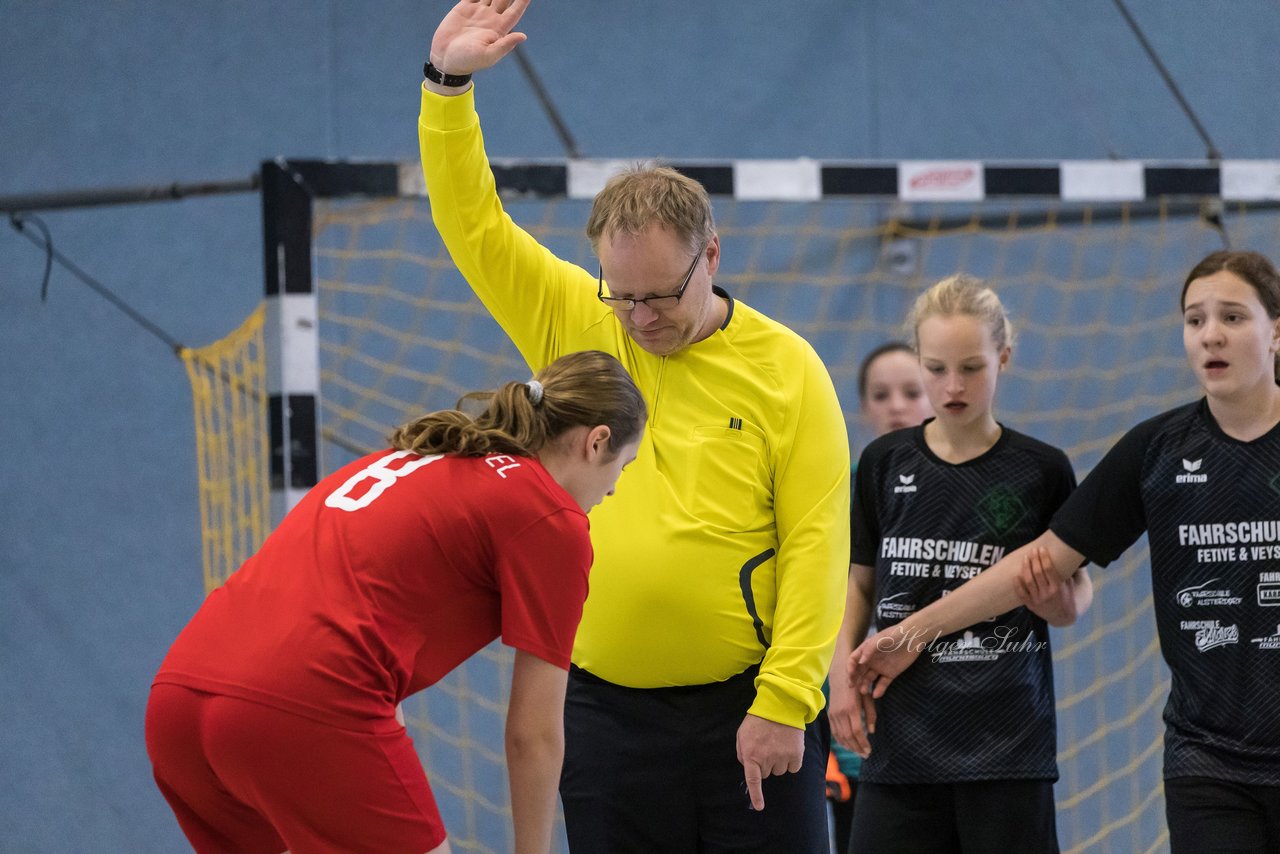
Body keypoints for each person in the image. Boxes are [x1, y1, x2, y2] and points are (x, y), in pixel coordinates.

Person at [418, 2, 850, 851]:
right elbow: (470, 223)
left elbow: (817, 544)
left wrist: (785, 701)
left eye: (660, 296)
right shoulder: (574, 314)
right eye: (623, 296)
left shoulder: (788, 367)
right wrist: (448, 87)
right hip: (603, 714)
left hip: (749, 711)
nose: (640, 318)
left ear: (712, 257)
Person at [850, 249, 1280, 854]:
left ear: (1275, 330)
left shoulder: (1038, 466)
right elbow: (1040, 564)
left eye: (1233, 317)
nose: (1211, 334)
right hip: (1209, 761)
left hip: (1013, 745)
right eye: (1194, 319)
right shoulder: (1155, 449)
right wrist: (908, 635)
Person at [145, 350, 646, 854]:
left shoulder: (418, 457)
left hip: (178, 703)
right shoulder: (549, 516)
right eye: (623, 466)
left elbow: (358, 623)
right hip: (303, 704)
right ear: (595, 442)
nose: (614, 488)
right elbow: (533, 734)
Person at [829, 275, 1093, 854]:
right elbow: (860, 581)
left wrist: (1060, 603)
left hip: (1006, 743)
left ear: (1003, 358)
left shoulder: (1041, 469)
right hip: (898, 739)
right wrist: (839, 676)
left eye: (972, 368)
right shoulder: (883, 462)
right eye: (937, 367)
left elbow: (1076, 595)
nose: (953, 386)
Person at [825, 341, 935, 854]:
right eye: (881, 394)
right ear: (864, 407)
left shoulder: (965, 487)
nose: (896, 405)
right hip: (861, 734)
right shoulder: (836, 493)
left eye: (911, 392)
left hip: (948, 723)